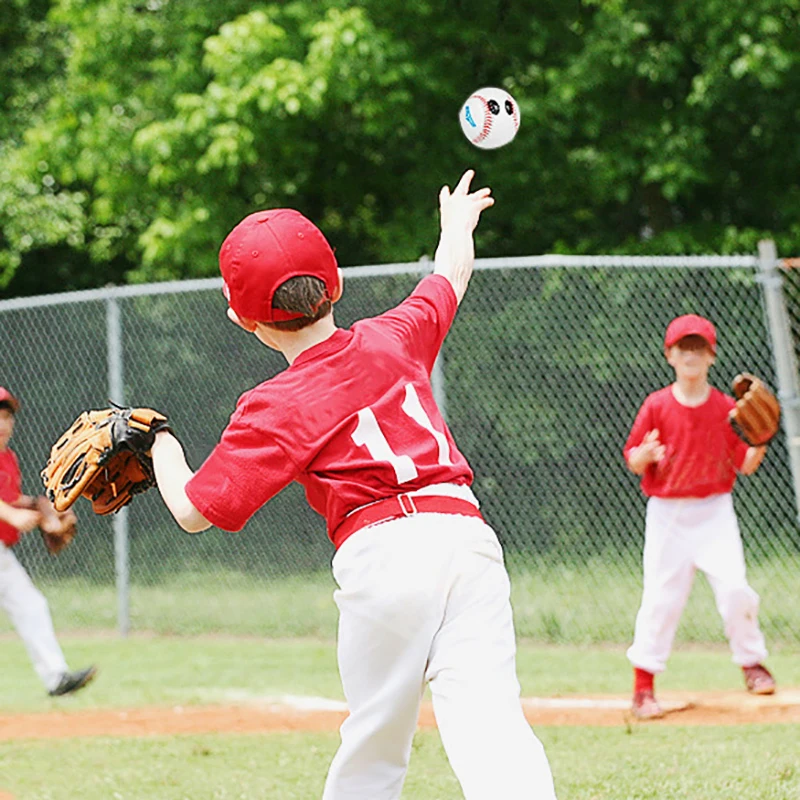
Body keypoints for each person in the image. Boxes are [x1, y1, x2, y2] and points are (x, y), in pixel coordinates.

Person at [149, 170, 558, 799]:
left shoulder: (274, 403)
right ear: (334, 282)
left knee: (376, 739)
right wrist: (455, 226)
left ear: (241, 317)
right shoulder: (392, 336)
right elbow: (450, 276)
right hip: (465, 534)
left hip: (383, 553)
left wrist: (159, 444)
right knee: (490, 723)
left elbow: (193, 509)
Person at [623, 314, 776, 720]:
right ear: (669, 355)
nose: (691, 355)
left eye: (698, 348)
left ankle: (752, 665)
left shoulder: (727, 409)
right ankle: (643, 688)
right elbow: (633, 459)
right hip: (668, 515)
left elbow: (746, 464)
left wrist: (760, 441)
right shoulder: (656, 405)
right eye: (682, 348)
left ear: (712, 356)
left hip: (714, 512)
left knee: (735, 590)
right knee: (660, 599)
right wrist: (645, 456)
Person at [0, 387, 97, 697]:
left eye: (6, 417)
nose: (3, 424)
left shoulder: (8, 458)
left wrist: (39, 509)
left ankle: (56, 678)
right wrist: (12, 517)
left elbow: (10, 498)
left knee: (32, 605)